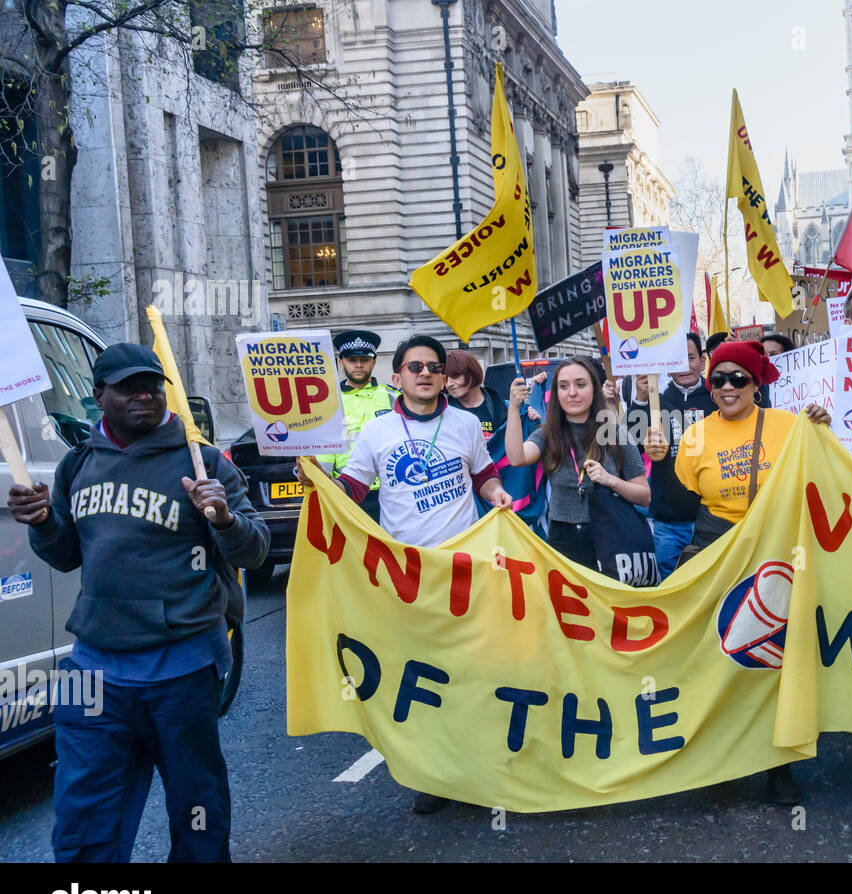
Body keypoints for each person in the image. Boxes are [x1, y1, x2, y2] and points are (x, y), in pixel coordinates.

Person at [7, 343, 269, 861]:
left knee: (197, 807)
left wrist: (223, 519)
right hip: (92, 668)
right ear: (99, 396)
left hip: (182, 664)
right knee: (83, 813)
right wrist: (41, 523)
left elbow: (255, 551)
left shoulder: (204, 460)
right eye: (128, 387)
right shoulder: (77, 464)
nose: (144, 395)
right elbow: (65, 556)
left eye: (152, 385)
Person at [310, 333, 513, 814]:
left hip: (464, 571)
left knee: (472, 672)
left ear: (445, 377)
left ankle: (481, 767)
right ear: (397, 376)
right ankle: (437, 775)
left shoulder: (465, 424)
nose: (426, 373)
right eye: (415, 366)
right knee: (424, 677)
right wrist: (319, 482)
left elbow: (483, 475)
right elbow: (354, 488)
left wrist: (496, 493)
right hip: (406, 578)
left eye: (434, 367)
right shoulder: (378, 432)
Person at [674, 340, 831, 806]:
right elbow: (680, 499)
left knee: (773, 658)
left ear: (756, 382)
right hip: (717, 548)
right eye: (718, 379)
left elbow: (826, 474)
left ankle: (778, 765)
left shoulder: (790, 424)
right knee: (718, 656)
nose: (727, 387)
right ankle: (722, 758)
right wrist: (657, 459)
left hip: (776, 550)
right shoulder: (696, 435)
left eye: (738, 378)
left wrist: (824, 428)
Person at [504, 356, 649, 570]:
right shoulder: (547, 433)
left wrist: (611, 481)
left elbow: (644, 496)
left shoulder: (616, 433)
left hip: (609, 535)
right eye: (563, 386)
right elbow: (517, 458)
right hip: (563, 538)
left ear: (594, 389)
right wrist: (514, 409)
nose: (572, 393)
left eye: (580, 385)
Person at [626, 332, 716, 578]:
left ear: (702, 361)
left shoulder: (718, 399)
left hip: (711, 520)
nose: (685, 365)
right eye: (677, 359)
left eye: (690, 357)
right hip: (668, 523)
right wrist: (641, 399)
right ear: (667, 364)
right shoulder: (658, 402)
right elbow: (629, 445)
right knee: (670, 587)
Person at [319, 330, 396, 523]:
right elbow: (324, 452)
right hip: (348, 492)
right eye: (352, 359)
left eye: (365, 359)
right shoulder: (330, 402)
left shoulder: (393, 397)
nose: (359, 365)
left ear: (374, 361)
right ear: (341, 362)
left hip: (394, 493)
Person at [444, 349, 540, 441]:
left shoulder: (506, 408)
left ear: (472, 373)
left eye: (455, 376)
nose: (449, 383)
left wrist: (529, 419)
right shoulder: (442, 412)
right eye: (445, 378)